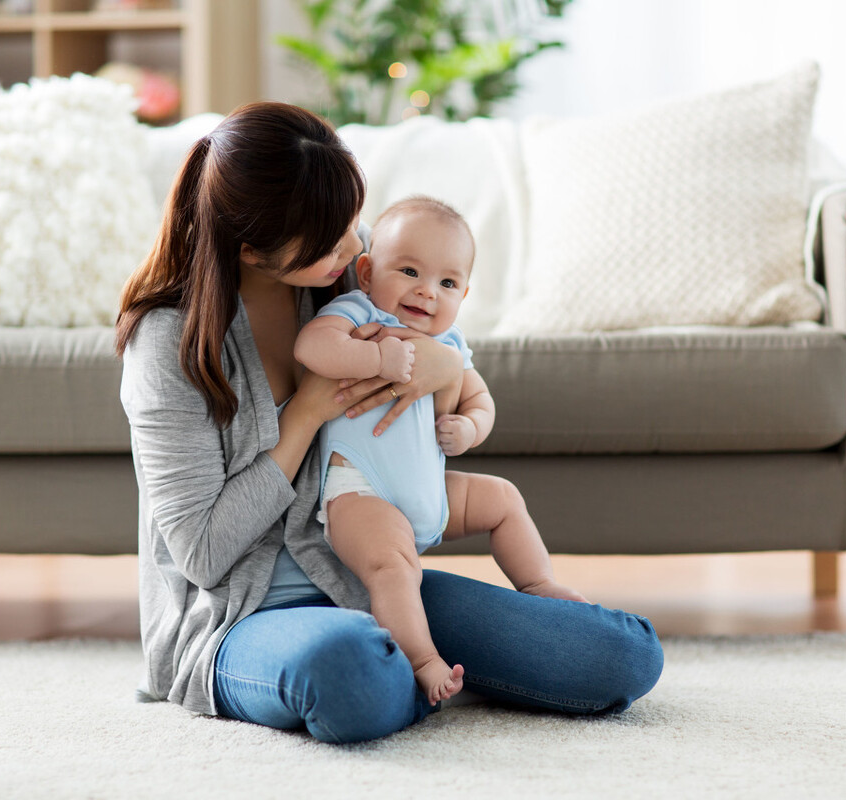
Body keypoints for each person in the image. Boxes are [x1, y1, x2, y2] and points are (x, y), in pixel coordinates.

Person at [115, 101, 664, 745]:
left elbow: (441, 340)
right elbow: (203, 554)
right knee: (349, 671)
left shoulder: (349, 274)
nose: (356, 245)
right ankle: (404, 667)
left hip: (373, 583)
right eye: (331, 237)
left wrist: (435, 366)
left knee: (621, 657)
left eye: (353, 220)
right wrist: (310, 412)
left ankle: (407, 663)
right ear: (252, 250)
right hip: (241, 617)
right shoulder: (169, 343)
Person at [294, 196, 588, 706]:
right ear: (366, 272)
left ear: (464, 293)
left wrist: (469, 428)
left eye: (447, 283)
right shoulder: (358, 312)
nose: (426, 292)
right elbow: (310, 348)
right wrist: (375, 355)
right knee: (393, 567)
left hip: (430, 492)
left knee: (503, 499)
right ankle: (423, 658)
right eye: (408, 271)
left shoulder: (451, 343)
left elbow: (481, 400)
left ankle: (538, 585)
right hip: (361, 491)